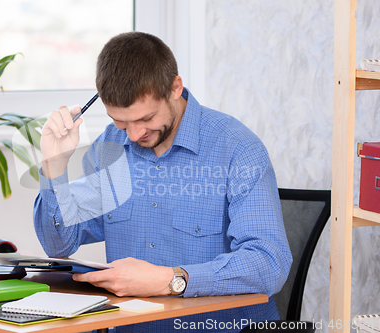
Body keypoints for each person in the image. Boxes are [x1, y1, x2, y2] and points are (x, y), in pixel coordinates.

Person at [34, 31, 292, 333]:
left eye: (146, 118)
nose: (132, 134)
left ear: (175, 88)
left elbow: (268, 264)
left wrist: (169, 279)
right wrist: (55, 166)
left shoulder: (237, 148)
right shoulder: (111, 145)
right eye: (120, 121)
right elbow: (59, 244)